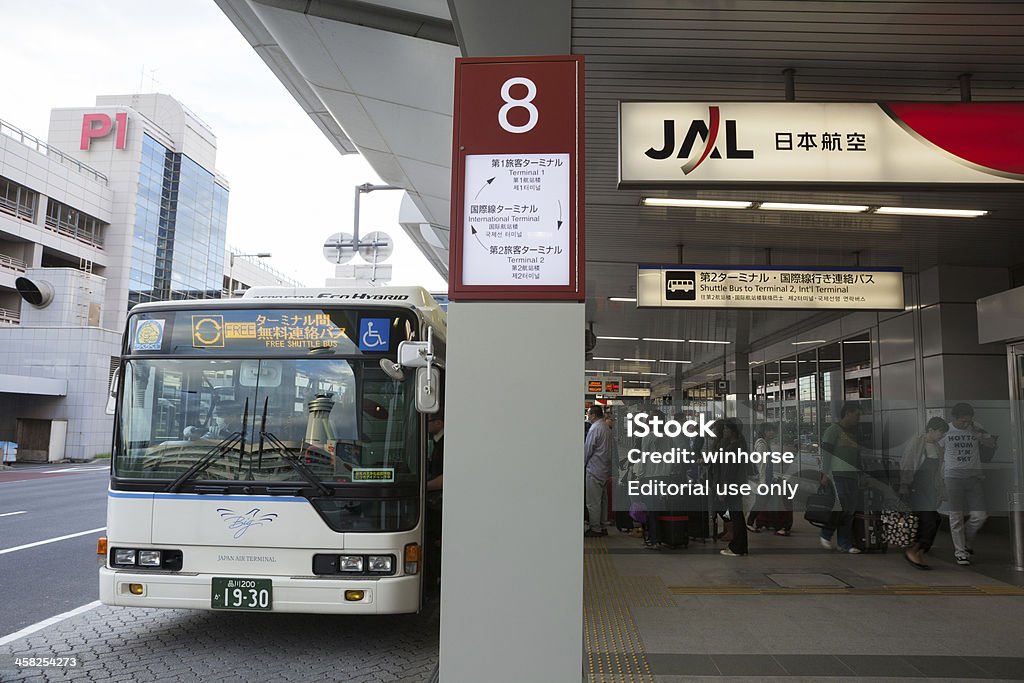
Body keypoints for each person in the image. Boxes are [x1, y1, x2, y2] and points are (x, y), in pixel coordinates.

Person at [942, 403, 995, 566]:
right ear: (955, 418)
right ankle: (960, 551)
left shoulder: (976, 427)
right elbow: (937, 452)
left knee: (980, 515)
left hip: (974, 476)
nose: (966, 424)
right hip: (952, 476)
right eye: (963, 421)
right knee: (956, 515)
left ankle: (965, 538)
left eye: (968, 421)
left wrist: (979, 435)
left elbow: (992, 443)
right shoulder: (946, 430)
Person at [899, 417, 949, 569]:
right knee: (929, 520)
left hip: (930, 489)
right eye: (940, 432)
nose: (942, 435)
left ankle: (919, 549)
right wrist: (904, 485)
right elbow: (907, 463)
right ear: (931, 430)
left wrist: (940, 492)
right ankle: (914, 550)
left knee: (934, 520)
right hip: (917, 487)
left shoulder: (938, 448)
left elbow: (938, 473)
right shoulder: (916, 443)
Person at [819, 402, 863, 554]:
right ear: (848, 413)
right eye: (857, 415)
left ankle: (844, 543)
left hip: (851, 476)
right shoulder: (833, 430)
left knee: (849, 511)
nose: (859, 418)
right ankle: (826, 533)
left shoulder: (853, 433)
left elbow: (857, 457)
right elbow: (826, 453)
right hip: (837, 475)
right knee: (840, 507)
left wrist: (860, 474)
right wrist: (825, 474)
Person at [747, 422, 792, 535]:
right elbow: (762, 465)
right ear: (764, 432)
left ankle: (750, 522)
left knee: (763, 503)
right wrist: (764, 482)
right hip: (764, 481)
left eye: (772, 430)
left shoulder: (765, 443)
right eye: (770, 430)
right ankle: (777, 528)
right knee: (768, 503)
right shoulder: (762, 444)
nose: (772, 432)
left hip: (767, 479)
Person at [714, 417, 749, 557]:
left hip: (732, 486)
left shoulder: (733, 447)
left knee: (736, 516)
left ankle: (737, 547)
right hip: (737, 485)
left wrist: (724, 489)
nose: (724, 431)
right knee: (737, 515)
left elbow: (729, 471)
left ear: (733, 431)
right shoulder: (739, 444)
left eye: (727, 429)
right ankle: (740, 546)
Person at [584, 405, 613, 537]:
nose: (588, 416)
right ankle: (602, 525)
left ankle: (595, 528)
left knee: (593, 501)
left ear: (594, 415)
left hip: (594, 469)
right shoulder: (606, 428)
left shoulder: (595, 429)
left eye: (589, 414)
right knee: (602, 500)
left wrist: (582, 464)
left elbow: (588, 449)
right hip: (604, 469)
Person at [424, 411, 444, 592]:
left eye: (428, 420)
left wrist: (423, 487)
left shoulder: (445, 444)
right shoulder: (437, 443)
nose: (425, 424)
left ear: (439, 422)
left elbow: (445, 478)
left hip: (439, 504)